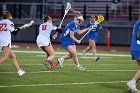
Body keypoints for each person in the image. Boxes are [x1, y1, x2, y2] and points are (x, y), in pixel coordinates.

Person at [0, 11, 25, 76]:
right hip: (6, 41)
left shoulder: (0, 22)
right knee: (4, 57)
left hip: (1, 41)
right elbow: (14, 33)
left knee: (13, 56)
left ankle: (19, 71)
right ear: (8, 16)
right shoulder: (9, 22)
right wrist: (19, 28)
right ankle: (19, 71)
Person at [127, 20, 140, 92]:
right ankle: (132, 83)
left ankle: (131, 87)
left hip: (136, 47)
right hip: (137, 47)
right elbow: (139, 35)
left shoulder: (138, 22)